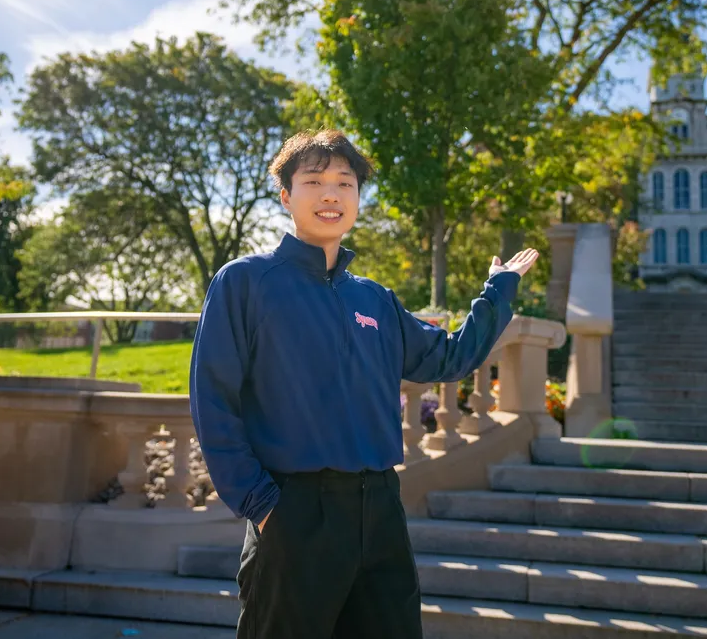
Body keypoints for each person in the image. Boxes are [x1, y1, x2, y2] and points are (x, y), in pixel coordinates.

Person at [188, 129, 538, 639]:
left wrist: (497, 293)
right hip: (294, 510)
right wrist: (262, 506)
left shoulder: (375, 299)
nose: (331, 194)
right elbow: (213, 402)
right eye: (314, 181)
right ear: (286, 195)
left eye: (345, 183)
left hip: (380, 511)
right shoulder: (244, 282)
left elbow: (450, 357)